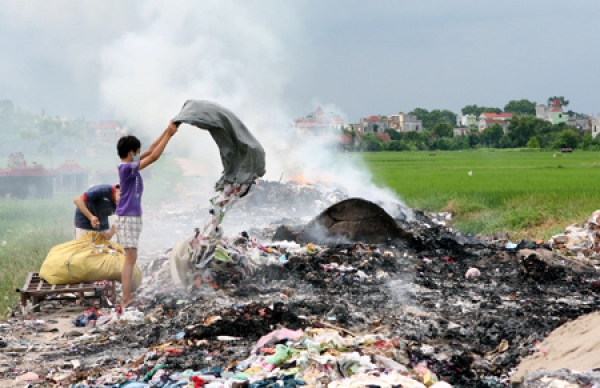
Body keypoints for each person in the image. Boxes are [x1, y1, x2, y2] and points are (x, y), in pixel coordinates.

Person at [115, 122, 178, 308]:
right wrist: (169, 136)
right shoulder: (126, 168)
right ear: (130, 153)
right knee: (130, 258)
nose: (138, 154)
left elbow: (151, 150)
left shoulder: (131, 163)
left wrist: (167, 130)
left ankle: (127, 296)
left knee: (131, 256)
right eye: (136, 151)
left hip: (131, 216)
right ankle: (126, 298)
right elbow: (154, 157)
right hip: (127, 217)